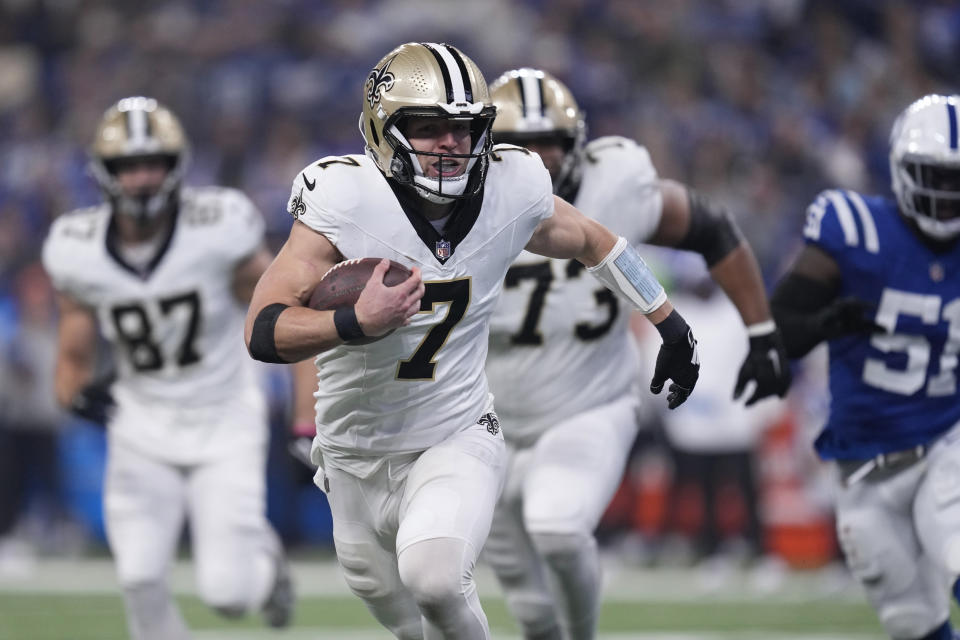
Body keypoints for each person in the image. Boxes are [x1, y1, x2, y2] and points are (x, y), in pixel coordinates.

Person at [245, 42, 700, 640]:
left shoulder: (511, 186)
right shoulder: (346, 199)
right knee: (401, 611)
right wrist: (353, 322)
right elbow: (263, 327)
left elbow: (595, 240)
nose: (450, 144)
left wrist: (668, 321)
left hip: (453, 432)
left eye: (463, 128)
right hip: (352, 451)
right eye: (428, 128)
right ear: (384, 130)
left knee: (434, 578)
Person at [480, 68, 790, 639]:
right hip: (486, 420)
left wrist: (762, 328)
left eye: (546, 144)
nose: (534, 162)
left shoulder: (613, 183)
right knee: (525, 601)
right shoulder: (458, 202)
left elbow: (712, 228)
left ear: (576, 147)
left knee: (557, 526)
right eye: (516, 146)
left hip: (588, 401)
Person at [42, 97, 293, 640]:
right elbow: (72, 359)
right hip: (142, 424)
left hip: (223, 415)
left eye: (152, 162)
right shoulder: (75, 247)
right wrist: (76, 395)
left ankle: (266, 567)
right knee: (138, 579)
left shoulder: (218, 224)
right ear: (104, 174)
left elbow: (277, 306)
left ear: (177, 165)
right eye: (128, 166)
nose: (141, 178)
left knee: (229, 595)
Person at [771, 94, 960, 640]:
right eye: (935, 177)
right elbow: (783, 326)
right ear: (902, 171)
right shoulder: (855, 229)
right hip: (864, 465)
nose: (946, 196)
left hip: (946, 439)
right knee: (911, 624)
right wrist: (828, 322)